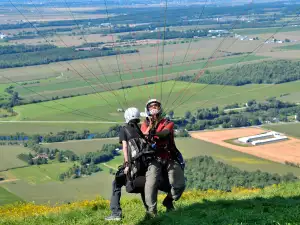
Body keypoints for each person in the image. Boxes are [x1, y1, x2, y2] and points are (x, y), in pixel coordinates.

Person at [105, 107, 171, 221]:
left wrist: (126, 164)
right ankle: (150, 213)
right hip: (143, 167)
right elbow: (145, 136)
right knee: (142, 186)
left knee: (116, 184)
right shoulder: (140, 130)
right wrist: (150, 125)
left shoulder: (124, 129)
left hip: (132, 168)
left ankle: (116, 213)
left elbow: (125, 147)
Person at [141, 99, 186, 217]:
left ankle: (168, 200)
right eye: (151, 107)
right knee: (151, 183)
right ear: (148, 110)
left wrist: (152, 134)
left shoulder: (168, 123)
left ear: (160, 108)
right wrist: (150, 127)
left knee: (180, 184)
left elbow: (165, 133)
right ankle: (152, 212)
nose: (154, 108)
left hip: (170, 156)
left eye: (156, 106)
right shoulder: (145, 124)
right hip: (154, 158)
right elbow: (142, 136)